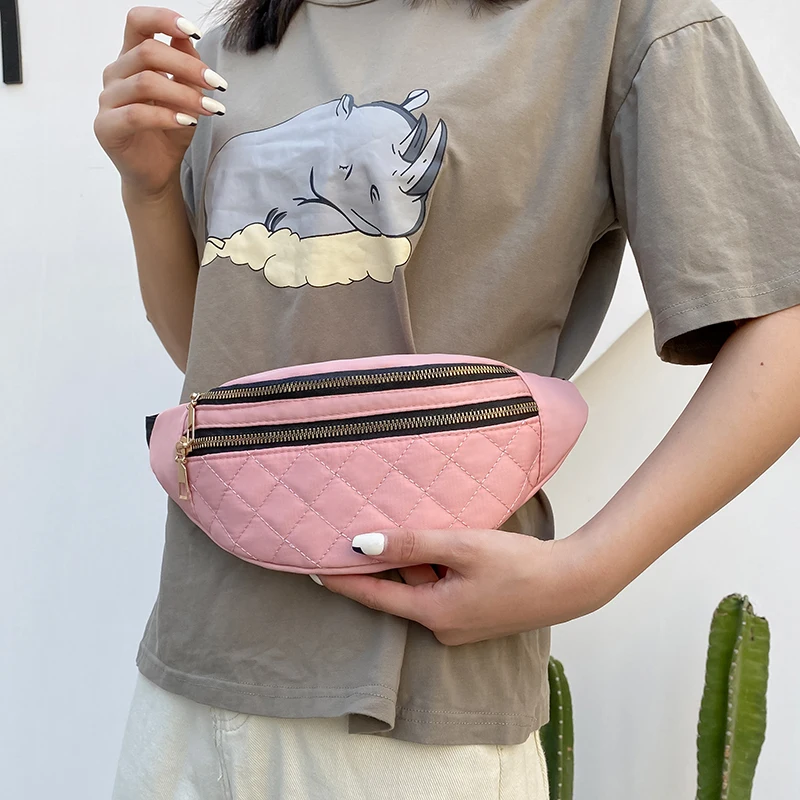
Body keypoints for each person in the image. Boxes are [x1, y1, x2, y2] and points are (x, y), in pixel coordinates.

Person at [95, 1, 800, 797]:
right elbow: (220, 364)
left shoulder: (609, 21)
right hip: (189, 680)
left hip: (414, 717)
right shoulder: (230, 49)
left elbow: (784, 324)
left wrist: (587, 572)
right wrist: (148, 190)